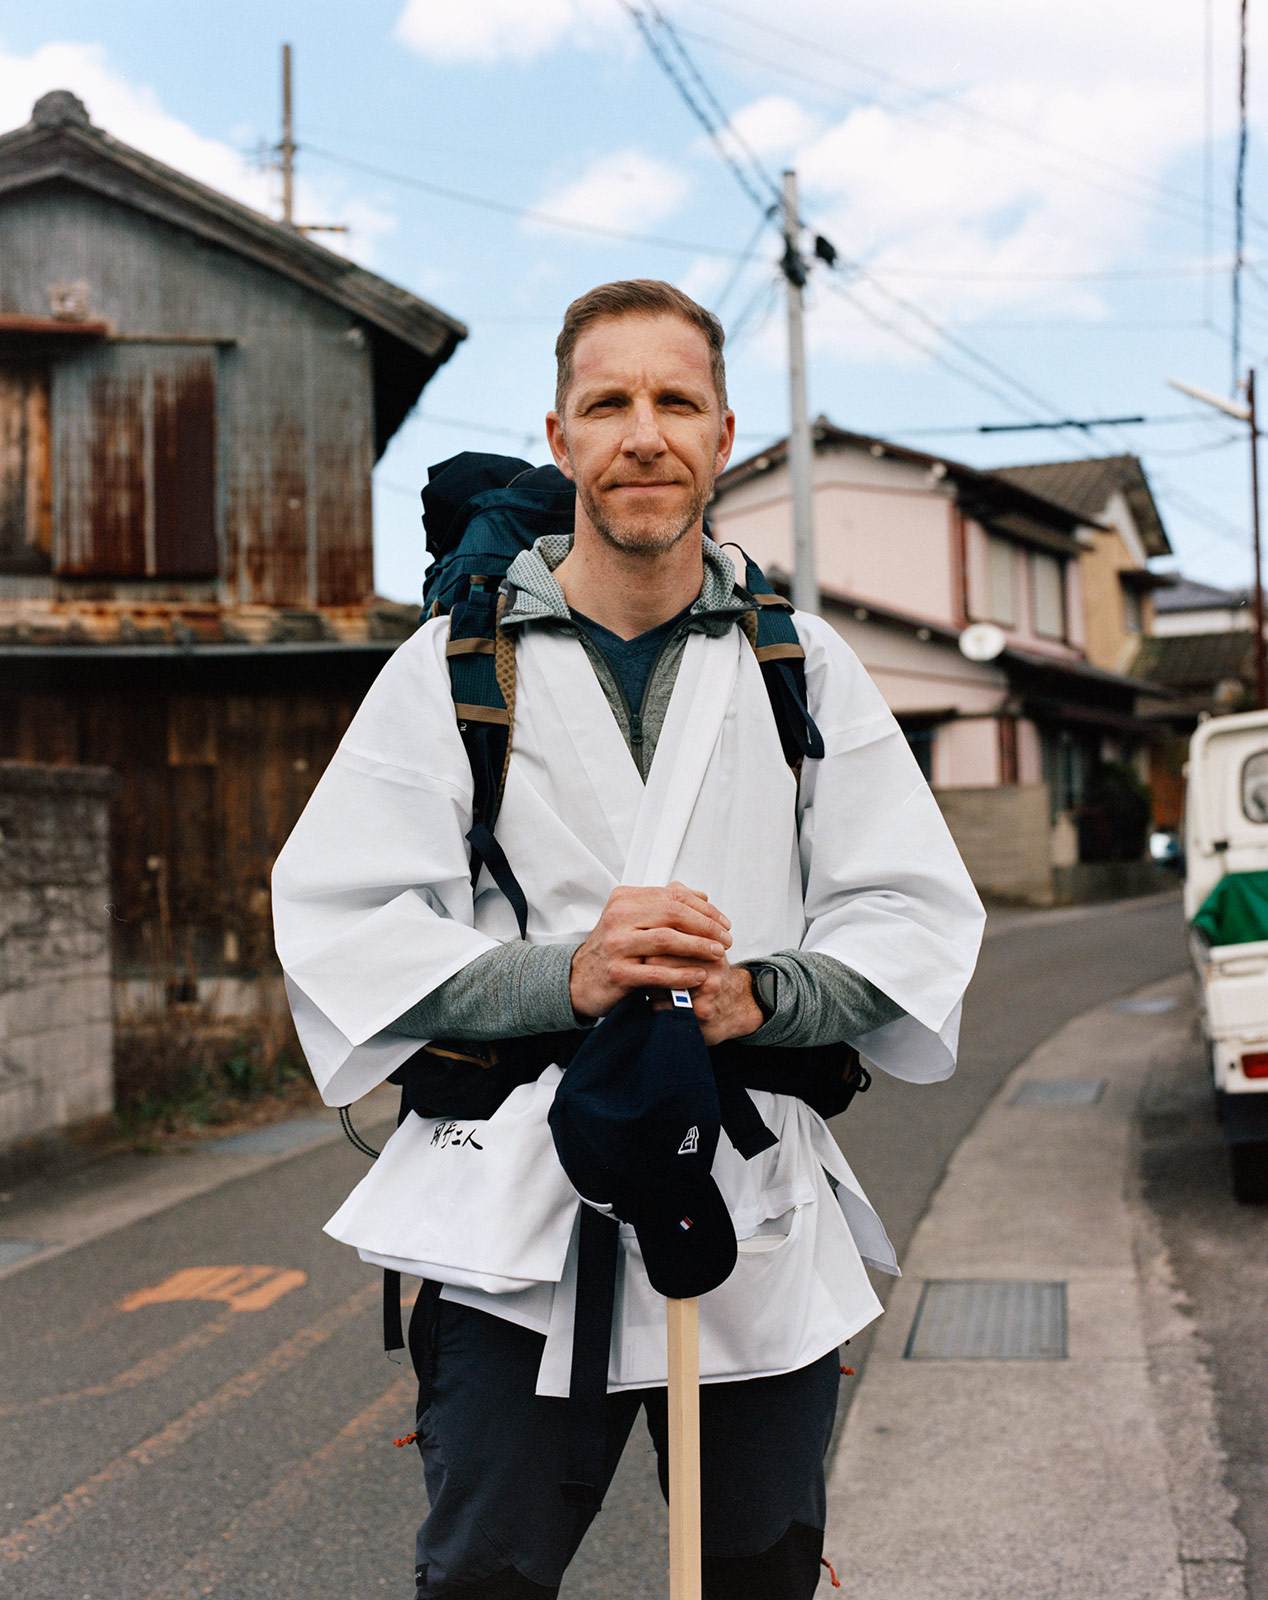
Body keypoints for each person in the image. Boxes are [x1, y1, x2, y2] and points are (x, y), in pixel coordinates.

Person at [272, 279, 984, 1599]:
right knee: (485, 1575)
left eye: (674, 402)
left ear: (721, 436)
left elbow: (914, 909)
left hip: (751, 1209)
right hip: (511, 1218)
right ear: (561, 435)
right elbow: (341, 915)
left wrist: (762, 993)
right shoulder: (450, 669)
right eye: (610, 403)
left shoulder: (802, 666)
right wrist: (568, 974)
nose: (641, 433)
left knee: (759, 1575)